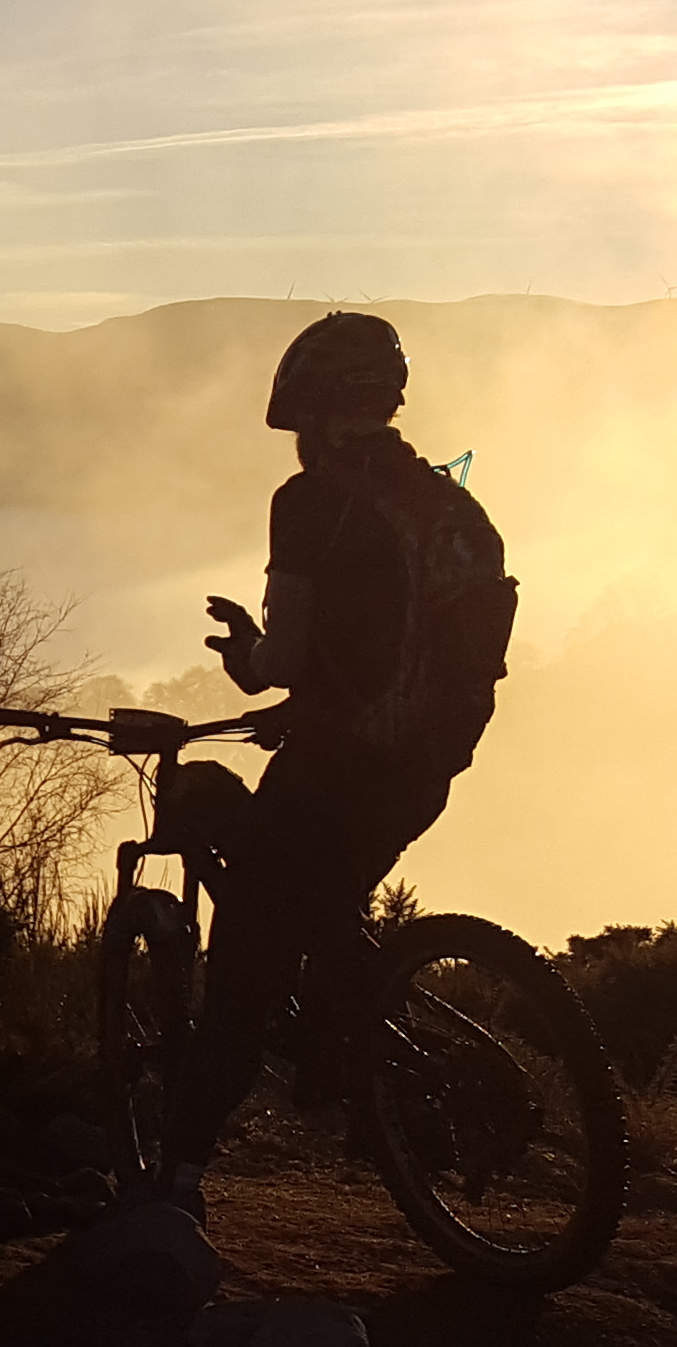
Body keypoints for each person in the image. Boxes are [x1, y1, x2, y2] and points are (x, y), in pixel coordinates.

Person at [170, 308, 516, 1195]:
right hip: (425, 768)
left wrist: (246, 656)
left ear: (311, 415)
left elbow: (279, 663)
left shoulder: (309, 501)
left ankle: (174, 1178)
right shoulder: (451, 500)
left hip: (334, 769)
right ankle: (367, 1090)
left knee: (245, 962)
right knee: (329, 914)